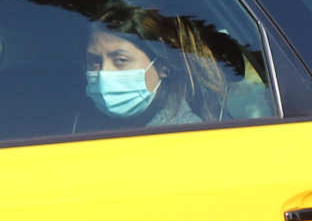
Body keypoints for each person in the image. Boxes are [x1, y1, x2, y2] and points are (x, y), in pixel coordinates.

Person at [75, 14, 228, 133]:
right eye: (94, 61)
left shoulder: (188, 137)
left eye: (121, 60)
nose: (104, 73)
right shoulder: (79, 128)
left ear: (163, 67)